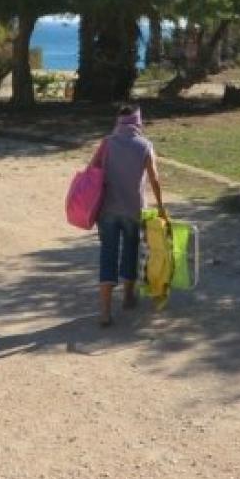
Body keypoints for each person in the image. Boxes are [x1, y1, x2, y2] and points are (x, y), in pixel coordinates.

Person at [91, 106, 164, 327]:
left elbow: (92, 169)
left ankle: (104, 312)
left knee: (108, 255)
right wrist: (161, 207)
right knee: (131, 252)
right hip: (133, 210)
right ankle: (128, 298)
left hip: (107, 211)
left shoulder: (107, 143)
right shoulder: (145, 146)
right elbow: (155, 179)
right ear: (138, 122)